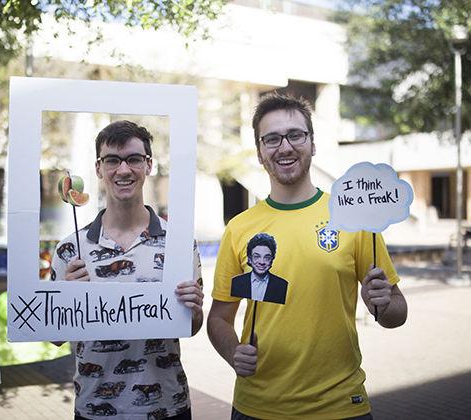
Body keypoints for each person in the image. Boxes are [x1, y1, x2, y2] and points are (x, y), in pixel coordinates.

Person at [207, 93, 408, 419]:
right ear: (260, 153)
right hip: (257, 407)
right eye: (271, 139)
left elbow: (396, 313)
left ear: (312, 143)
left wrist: (384, 303)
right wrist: (233, 353)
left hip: (341, 406)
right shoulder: (239, 228)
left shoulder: (353, 218)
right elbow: (218, 318)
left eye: (295, 135)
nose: (284, 147)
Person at [51, 120, 204, 420]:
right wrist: (66, 299)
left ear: (148, 165)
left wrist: (195, 310)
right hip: (95, 409)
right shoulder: (70, 250)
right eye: (112, 160)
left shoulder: (180, 244)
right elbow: (55, 337)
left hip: (167, 408)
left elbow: (192, 327)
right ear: (99, 168)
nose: (123, 170)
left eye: (133, 159)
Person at [230, 232, 288, 304]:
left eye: (267, 257)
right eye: (257, 256)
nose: (262, 262)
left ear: (272, 259)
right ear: (250, 258)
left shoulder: (281, 285)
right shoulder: (237, 282)